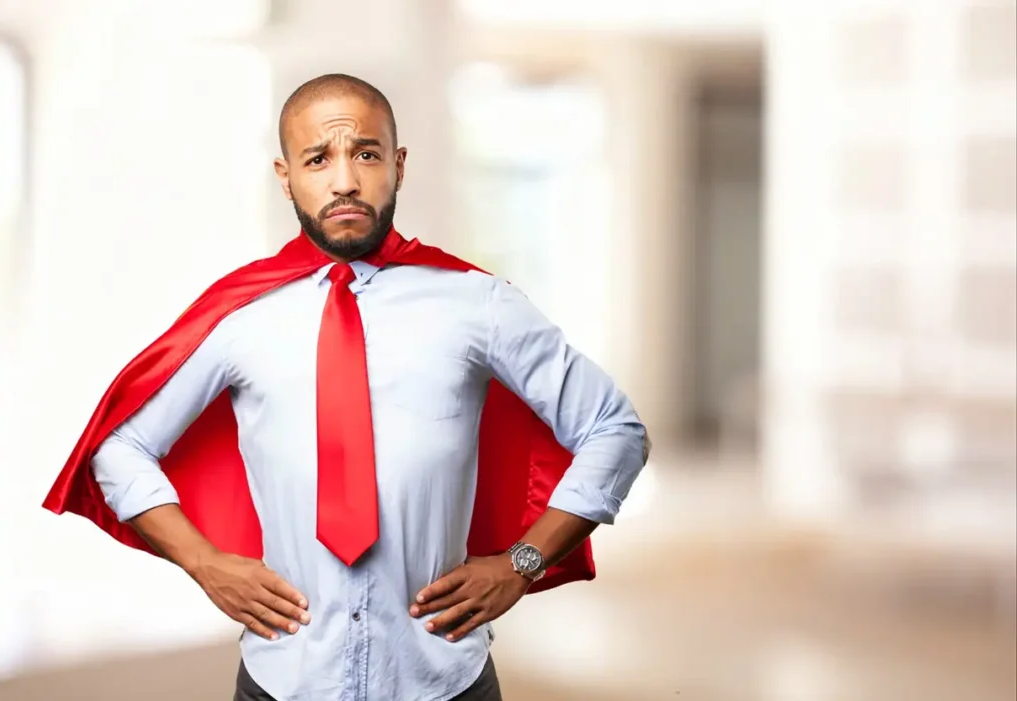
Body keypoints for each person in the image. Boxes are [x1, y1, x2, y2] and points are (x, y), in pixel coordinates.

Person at [42, 74, 649, 701]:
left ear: (398, 164)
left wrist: (522, 563)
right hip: (283, 681)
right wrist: (203, 562)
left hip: (443, 681)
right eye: (317, 159)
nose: (344, 182)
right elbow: (117, 447)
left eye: (365, 153)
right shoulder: (239, 318)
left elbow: (615, 429)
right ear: (286, 177)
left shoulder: (478, 302)